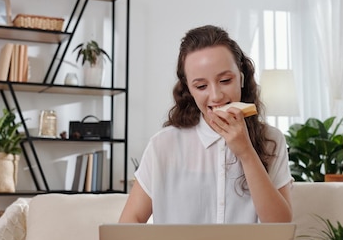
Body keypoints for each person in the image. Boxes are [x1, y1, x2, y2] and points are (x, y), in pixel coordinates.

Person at [119, 25, 293, 224]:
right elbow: (129, 221)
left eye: (226, 80)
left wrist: (246, 152)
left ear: (242, 78)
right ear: (189, 90)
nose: (216, 96)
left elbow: (281, 226)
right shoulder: (163, 145)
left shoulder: (271, 140)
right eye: (201, 86)